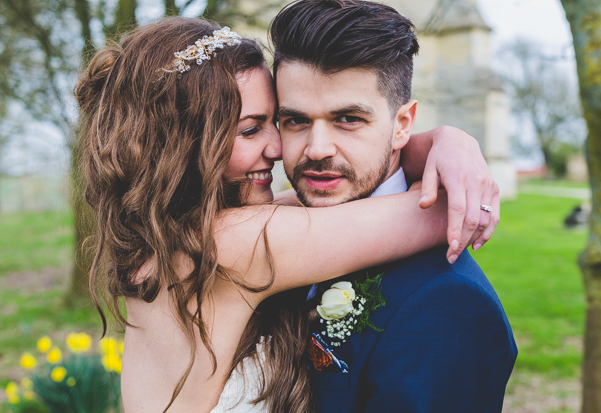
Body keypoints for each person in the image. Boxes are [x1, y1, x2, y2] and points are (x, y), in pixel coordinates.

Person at [74, 16, 499, 413]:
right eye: (250, 129)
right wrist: (453, 146)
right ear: (183, 145)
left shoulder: (174, 237)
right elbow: (447, 207)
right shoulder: (233, 243)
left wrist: (423, 141)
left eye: (276, 122)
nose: (278, 147)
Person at [269, 0, 518, 411]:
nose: (316, 149)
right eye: (295, 120)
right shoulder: (271, 236)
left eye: (348, 118)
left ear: (403, 125)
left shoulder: (447, 304)